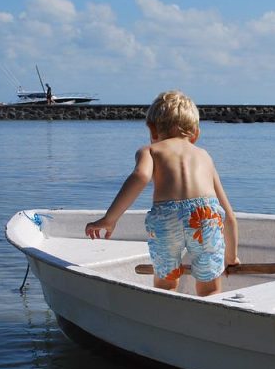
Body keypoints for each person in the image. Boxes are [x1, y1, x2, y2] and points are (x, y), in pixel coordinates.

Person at [84, 90, 239, 297]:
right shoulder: (204, 156)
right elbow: (228, 215)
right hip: (205, 217)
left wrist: (110, 219)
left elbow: (140, 177)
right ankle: (212, 322)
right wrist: (231, 257)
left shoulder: (150, 150)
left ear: (152, 128)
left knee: (166, 283)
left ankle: (166, 314)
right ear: (196, 133)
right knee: (210, 287)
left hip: (167, 217)